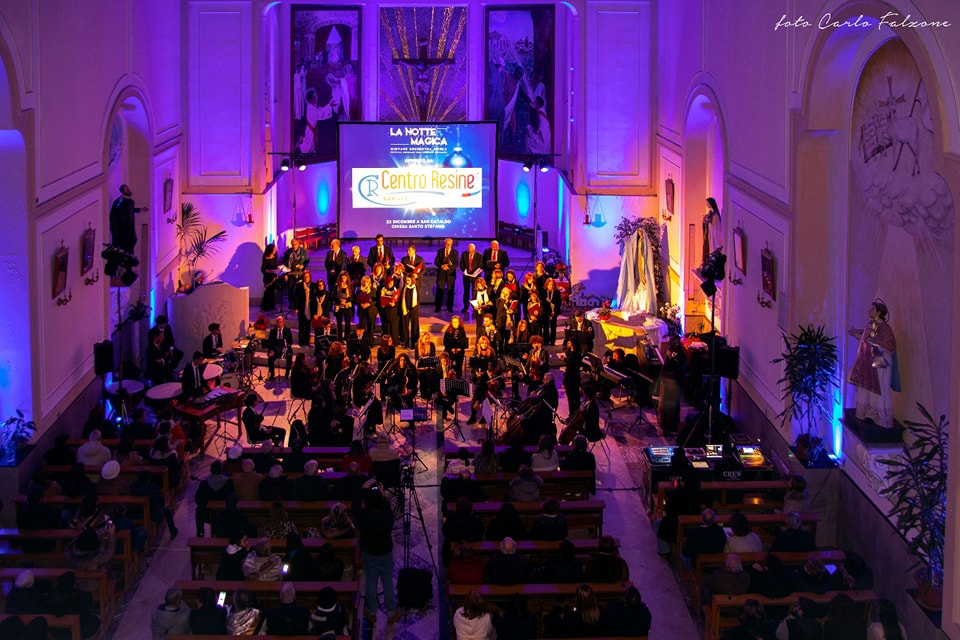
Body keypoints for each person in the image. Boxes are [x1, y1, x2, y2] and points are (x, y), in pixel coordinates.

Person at [353, 479, 399, 624]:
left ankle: (372, 611)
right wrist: (381, 495)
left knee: (371, 582)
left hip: (369, 552)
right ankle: (391, 612)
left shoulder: (363, 517)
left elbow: (354, 506)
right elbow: (387, 509)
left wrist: (362, 489)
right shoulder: (387, 517)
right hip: (385, 552)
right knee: (387, 582)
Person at [848, 298, 899, 427]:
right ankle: (870, 413)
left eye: (872, 309)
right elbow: (867, 338)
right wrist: (857, 334)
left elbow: (888, 344)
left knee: (880, 388)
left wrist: (872, 340)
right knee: (869, 389)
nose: (869, 311)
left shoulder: (885, 328)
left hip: (882, 361)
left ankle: (882, 418)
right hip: (871, 361)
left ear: (878, 312)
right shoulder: (872, 325)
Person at [109, 183, 148, 253]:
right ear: (123, 191)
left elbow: (131, 210)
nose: (129, 190)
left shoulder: (130, 201)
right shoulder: (119, 201)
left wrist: (140, 209)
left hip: (129, 229)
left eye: (128, 188)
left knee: (130, 245)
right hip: (122, 229)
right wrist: (119, 201)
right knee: (123, 247)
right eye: (126, 189)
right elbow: (116, 208)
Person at [294, 270, 320, 346]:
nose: (306, 278)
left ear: (310, 277)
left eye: (307, 277)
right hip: (301, 307)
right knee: (301, 325)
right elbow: (296, 297)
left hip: (309, 308)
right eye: (304, 277)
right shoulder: (299, 286)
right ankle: (301, 341)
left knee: (308, 325)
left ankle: (306, 341)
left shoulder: (313, 285)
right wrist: (296, 307)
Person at [283, 238, 311, 309]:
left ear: (298, 244)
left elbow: (307, 260)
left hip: (300, 273)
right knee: (290, 288)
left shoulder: (303, 251)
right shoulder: (288, 252)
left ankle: (300, 303)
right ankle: (291, 303)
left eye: (295, 244)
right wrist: (285, 274)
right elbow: (285, 263)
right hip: (291, 273)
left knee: (300, 288)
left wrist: (303, 265)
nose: (294, 246)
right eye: (292, 245)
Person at [434, 237, 458, 312]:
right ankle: (438, 307)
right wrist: (442, 266)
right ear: (444, 244)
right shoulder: (440, 251)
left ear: (451, 245)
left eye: (449, 244)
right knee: (439, 291)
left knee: (450, 291)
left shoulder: (455, 252)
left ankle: (449, 307)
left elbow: (456, 264)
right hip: (441, 274)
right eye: (446, 244)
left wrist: (448, 268)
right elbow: (436, 261)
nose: (447, 245)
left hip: (450, 274)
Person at [266, 315, 294, 380]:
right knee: (270, 357)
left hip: (285, 349)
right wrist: (271, 350)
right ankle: (272, 374)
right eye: (278, 322)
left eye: (281, 322)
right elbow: (270, 342)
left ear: (283, 322)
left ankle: (287, 374)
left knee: (289, 356)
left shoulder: (287, 330)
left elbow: (290, 342)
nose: (279, 324)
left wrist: (286, 347)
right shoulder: (273, 331)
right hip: (275, 350)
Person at [459, 243, 483, 313]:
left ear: (474, 250)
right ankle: (465, 307)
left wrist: (474, 272)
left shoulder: (479, 255)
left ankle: (475, 308)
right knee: (466, 292)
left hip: (475, 277)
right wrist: (465, 270)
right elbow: (461, 264)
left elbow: (481, 266)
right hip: (466, 276)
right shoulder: (464, 254)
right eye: (468, 249)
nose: (469, 251)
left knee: (474, 292)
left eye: (471, 250)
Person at [399, 274, 420, 348]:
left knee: (415, 326)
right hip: (406, 309)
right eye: (406, 280)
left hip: (414, 310)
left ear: (412, 280)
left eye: (408, 280)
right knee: (405, 327)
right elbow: (403, 299)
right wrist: (406, 308)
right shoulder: (405, 288)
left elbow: (418, 299)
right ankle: (406, 342)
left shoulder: (415, 287)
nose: (407, 282)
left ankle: (414, 343)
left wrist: (414, 308)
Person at [332, 271, 353, 341]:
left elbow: (352, 297)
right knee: (339, 323)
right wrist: (339, 300)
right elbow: (333, 296)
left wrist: (346, 300)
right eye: (342, 277)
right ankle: (340, 339)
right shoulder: (336, 285)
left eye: (345, 277)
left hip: (347, 306)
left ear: (347, 278)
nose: (343, 278)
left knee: (347, 323)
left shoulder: (350, 286)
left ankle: (347, 338)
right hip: (339, 306)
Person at [261, 242, 281, 311]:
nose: (275, 250)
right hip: (268, 277)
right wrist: (271, 271)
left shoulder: (275, 256)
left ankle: (271, 305)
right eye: (274, 249)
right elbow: (263, 269)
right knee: (267, 291)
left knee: (272, 291)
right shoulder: (265, 257)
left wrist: (277, 268)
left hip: (273, 276)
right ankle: (265, 306)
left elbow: (275, 265)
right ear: (270, 250)